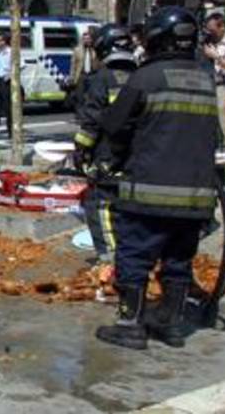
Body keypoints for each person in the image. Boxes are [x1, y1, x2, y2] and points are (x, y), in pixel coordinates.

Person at [95, 7, 218, 350]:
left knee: (134, 258)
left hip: (149, 194)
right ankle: (171, 324)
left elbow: (114, 126)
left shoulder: (147, 77)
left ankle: (130, 325)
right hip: (195, 198)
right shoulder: (205, 79)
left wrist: (110, 160)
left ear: (156, 40)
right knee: (178, 261)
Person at [72, 24, 138, 274]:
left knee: (98, 204)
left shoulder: (103, 78)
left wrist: (80, 150)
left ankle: (110, 261)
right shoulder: (144, 75)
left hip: (110, 154)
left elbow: (92, 121)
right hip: (141, 155)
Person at [202, 11, 225, 154]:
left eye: (213, 30)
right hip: (210, 84)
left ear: (222, 26)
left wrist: (217, 57)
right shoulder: (210, 43)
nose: (211, 33)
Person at [67, 28, 97, 108]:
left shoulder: (94, 51)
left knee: (90, 97)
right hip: (81, 75)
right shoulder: (77, 50)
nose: (87, 41)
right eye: (85, 39)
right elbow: (73, 65)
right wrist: (72, 77)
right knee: (80, 97)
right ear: (82, 40)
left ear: (91, 40)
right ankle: (80, 114)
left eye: (89, 39)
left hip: (91, 76)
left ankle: (88, 113)